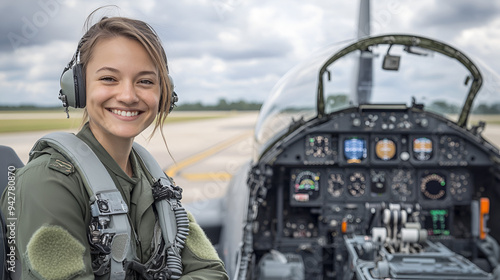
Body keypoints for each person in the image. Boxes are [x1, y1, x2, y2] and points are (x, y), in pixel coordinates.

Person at [0, 10, 229, 280]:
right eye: (109, 78)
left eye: (145, 81)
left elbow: (211, 271)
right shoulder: (47, 184)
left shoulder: (155, 181)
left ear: (163, 93)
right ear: (79, 87)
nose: (128, 95)